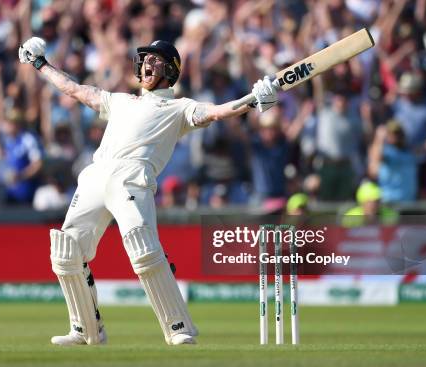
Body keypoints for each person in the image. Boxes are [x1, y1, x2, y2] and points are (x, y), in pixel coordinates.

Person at [18, 37, 278, 345]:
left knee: (144, 251)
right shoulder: (121, 101)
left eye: (155, 60)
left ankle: (179, 328)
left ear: (170, 69)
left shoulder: (179, 107)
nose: (147, 64)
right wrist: (39, 64)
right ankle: (86, 330)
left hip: (133, 179)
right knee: (65, 252)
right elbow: (75, 89)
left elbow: (217, 112)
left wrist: (252, 99)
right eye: (145, 59)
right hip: (96, 175)